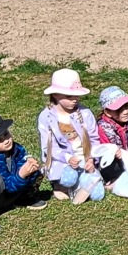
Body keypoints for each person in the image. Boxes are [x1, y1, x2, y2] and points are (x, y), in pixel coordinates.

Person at [36, 69, 105, 205]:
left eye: (77, 96)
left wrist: (92, 159)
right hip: (61, 160)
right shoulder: (46, 117)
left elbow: (94, 139)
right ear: (55, 95)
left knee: (98, 195)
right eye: (68, 96)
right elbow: (48, 147)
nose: (74, 100)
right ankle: (60, 184)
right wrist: (67, 158)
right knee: (69, 178)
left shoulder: (85, 113)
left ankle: (83, 183)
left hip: (84, 158)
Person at [0, 112, 46, 215]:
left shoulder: (16, 148)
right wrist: (21, 175)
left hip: (8, 193)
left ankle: (24, 198)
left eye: (6, 134)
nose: (6, 141)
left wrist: (29, 165)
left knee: (34, 168)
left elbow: (21, 168)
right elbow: (7, 185)